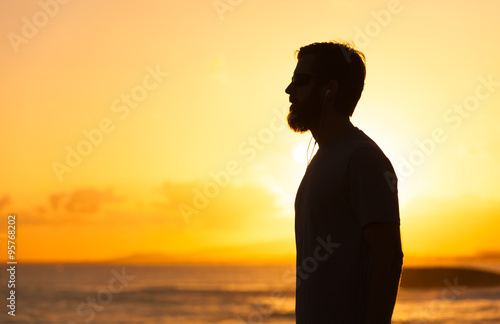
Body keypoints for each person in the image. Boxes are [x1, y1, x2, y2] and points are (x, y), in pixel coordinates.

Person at [285, 41, 404, 324]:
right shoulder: (322, 158)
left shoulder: (361, 159)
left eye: (301, 81)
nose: (289, 91)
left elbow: (388, 258)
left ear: (331, 88)